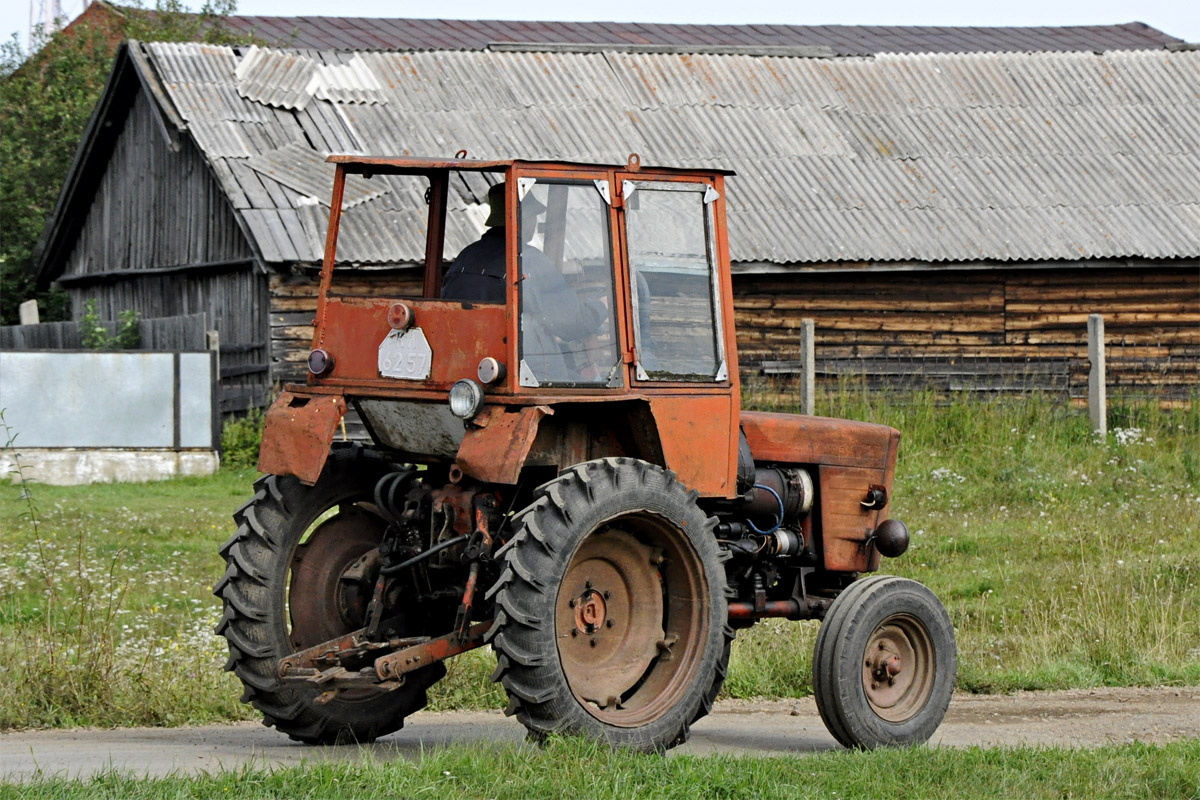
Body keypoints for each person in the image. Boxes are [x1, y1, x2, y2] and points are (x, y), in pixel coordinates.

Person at [443, 182, 609, 382]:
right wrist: (601, 306)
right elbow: (571, 324)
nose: (535, 221)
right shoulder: (528, 259)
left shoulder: (465, 256)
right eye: (533, 214)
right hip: (527, 375)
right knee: (598, 384)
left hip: (472, 368)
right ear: (523, 218)